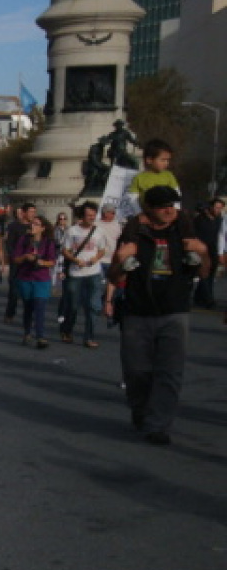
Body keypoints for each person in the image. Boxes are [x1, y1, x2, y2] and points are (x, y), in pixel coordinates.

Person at [107, 185, 209, 445]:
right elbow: (115, 277)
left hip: (175, 312)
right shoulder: (135, 234)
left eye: (172, 205)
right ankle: (141, 411)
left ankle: (158, 425)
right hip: (138, 312)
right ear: (149, 209)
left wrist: (204, 253)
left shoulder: (183, 233)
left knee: (170, 372)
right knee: (137, 372)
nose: (169, 211)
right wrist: (120, 260)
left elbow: (204, 273)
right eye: (163, 206)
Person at [58, 201, 109, 348]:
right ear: (82, 216)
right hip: (76, 273)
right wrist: (75, 260)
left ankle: (89, 337)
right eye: (88, 215)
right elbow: (65, 250)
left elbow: (102, 249)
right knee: (73, 306)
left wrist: (95, 258)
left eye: (93, 215)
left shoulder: (99, 232)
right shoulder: (72, 231)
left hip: (93, 273)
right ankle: (67, 330)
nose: (91, 218)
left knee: (93, 306)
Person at [12, 214, 57, 348]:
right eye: (32, 223)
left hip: (41, 279)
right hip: (25, 277)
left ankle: (40, 336)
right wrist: (26, 256)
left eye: (36, 224)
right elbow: (15, 259)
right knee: (28, 307)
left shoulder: (48, 242)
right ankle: (27, 332)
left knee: (40, 307)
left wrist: (40, 261)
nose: (32, 226)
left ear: (42, 228)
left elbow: (52, 261)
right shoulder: (23, 240)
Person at [3, 203, 35, 323]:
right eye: (30, 212)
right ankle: (10, 313)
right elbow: (9, 244)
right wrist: (13, 258)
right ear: (24, 212)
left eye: (34, 212)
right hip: (17, 262)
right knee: (14, 291)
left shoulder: (34, 226)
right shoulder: (14, 226)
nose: (33, 214)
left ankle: (29, 315)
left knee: (30, 291)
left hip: (30, 262)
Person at [192, 198, 222, 308]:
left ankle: (199, 297)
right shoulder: (200, 219)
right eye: (216, 207)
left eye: (220, 208)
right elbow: (194, 233)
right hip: (202, 249)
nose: (218, 210)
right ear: (210, 207)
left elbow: (221, 235)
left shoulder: (219, 219)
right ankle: (209, 299)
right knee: (204, 274)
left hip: (213, 249)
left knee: (211, 274)